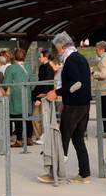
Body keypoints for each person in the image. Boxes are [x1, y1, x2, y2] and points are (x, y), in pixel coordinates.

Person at [38, 32, 91, 184]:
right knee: (78, 139)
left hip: (75, 105)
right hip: (83, 104)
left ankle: (55, 174)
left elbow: (76, 84)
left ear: (61, 46)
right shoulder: (80, 58)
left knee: (62, 139)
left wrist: (56, 92)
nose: (57, 52)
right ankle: (84, 174)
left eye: (57, 48)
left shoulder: (71, 60)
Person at [2, 48, 31, 146]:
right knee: (27, 116)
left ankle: (19, 140)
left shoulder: (11, 68)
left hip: (15, 94)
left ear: (14, 56)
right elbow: (33, 81)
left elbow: (6, 83)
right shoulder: (28, 67)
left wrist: (6, 88)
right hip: (27, 93)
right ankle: (29, 138)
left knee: (17, 116)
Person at [32, 49, 55, 144]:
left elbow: (47, 84)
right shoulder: (43, 67)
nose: (39, 58)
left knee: (39, 117)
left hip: (44, 96)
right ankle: (41, 136)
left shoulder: (48, 68)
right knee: (39, 117)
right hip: (41, 95)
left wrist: (39, 98)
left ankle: (43, 136)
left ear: (46, 57)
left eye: (40, 56)